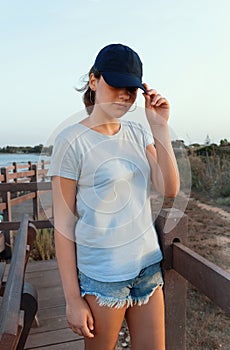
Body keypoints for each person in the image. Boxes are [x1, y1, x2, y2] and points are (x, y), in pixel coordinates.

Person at [48, 43, 180, 350]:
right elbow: (63, 226)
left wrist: (159, 127)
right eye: (116, 84)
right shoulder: (71, 142)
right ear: (94, 81)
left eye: (131, 88)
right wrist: (72, 300)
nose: (125, 94)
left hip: (147, 268)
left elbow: (169, 188)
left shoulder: (137, 134)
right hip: (102, 277)